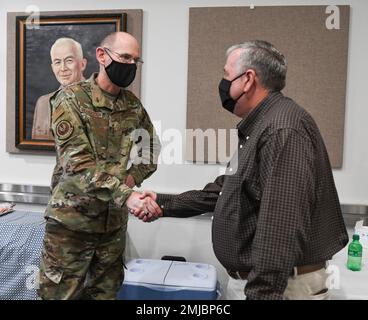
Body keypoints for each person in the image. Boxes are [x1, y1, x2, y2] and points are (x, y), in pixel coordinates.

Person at [134, 40, 349, 300]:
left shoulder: (282, 130)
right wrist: (164, 202)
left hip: (282, 288)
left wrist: (262, 293)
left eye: (226, 75)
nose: (223, 84)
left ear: (247, 80)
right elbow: (226, 190)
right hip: (262, 283)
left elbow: (281, 226)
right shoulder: (262, 126)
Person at [37, 31, 162, 300]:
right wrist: (126, 195)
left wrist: (132, 178)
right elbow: (78, 164)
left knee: (104, 296)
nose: (130, 65)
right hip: (72, 227)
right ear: (102, 56)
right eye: (125, 57)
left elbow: (152, 148)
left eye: (136, 61)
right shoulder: (71, 99)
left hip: (111, 228)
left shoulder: (132, 105)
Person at [32, 37, 87, 140]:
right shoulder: (43, 104)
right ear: (53, 68)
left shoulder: (100, 99)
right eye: (57, 62)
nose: (63, 68)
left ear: (82, 64)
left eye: (69, 61)